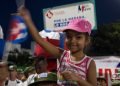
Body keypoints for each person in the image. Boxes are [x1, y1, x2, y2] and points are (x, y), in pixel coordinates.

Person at [18, 7, 97, 86]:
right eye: (69, 36)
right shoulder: (62, 55)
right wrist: (27, 20)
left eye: (78, 37)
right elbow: (40, 40)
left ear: (87, 41)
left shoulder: (89, 63)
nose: (73, 41)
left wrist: (77, 79)